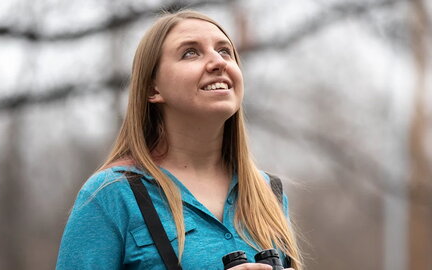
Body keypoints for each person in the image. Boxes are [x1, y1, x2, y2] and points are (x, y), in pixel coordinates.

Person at [56, 10, 302, 270]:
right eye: (190, 53)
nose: (218, 62)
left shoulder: (268, 193)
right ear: (153, 88)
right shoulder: (111, 194)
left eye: (224, 51)